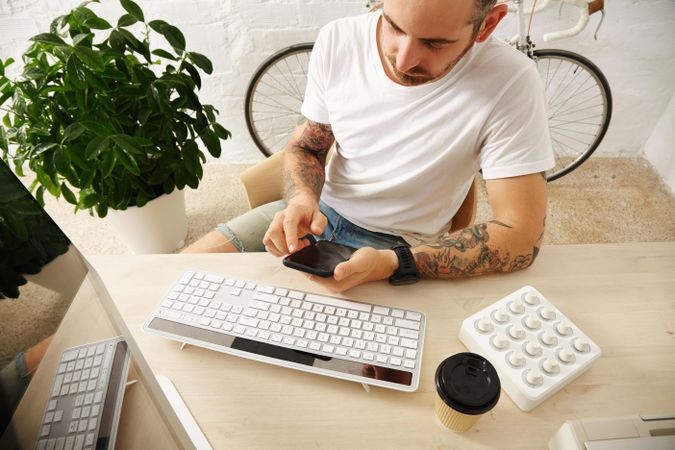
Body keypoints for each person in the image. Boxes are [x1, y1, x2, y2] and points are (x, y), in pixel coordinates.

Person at [184, 0, 554, 292]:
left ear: (488, 24)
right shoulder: (339, 38)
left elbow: (520, 236)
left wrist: (396, 263)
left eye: (435, 43)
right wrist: (301, 200)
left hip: (398, 246)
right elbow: (308, 148)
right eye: (394, 25)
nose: (404, 59)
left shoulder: (511, 81)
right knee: (171, 278)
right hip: (316, 212)